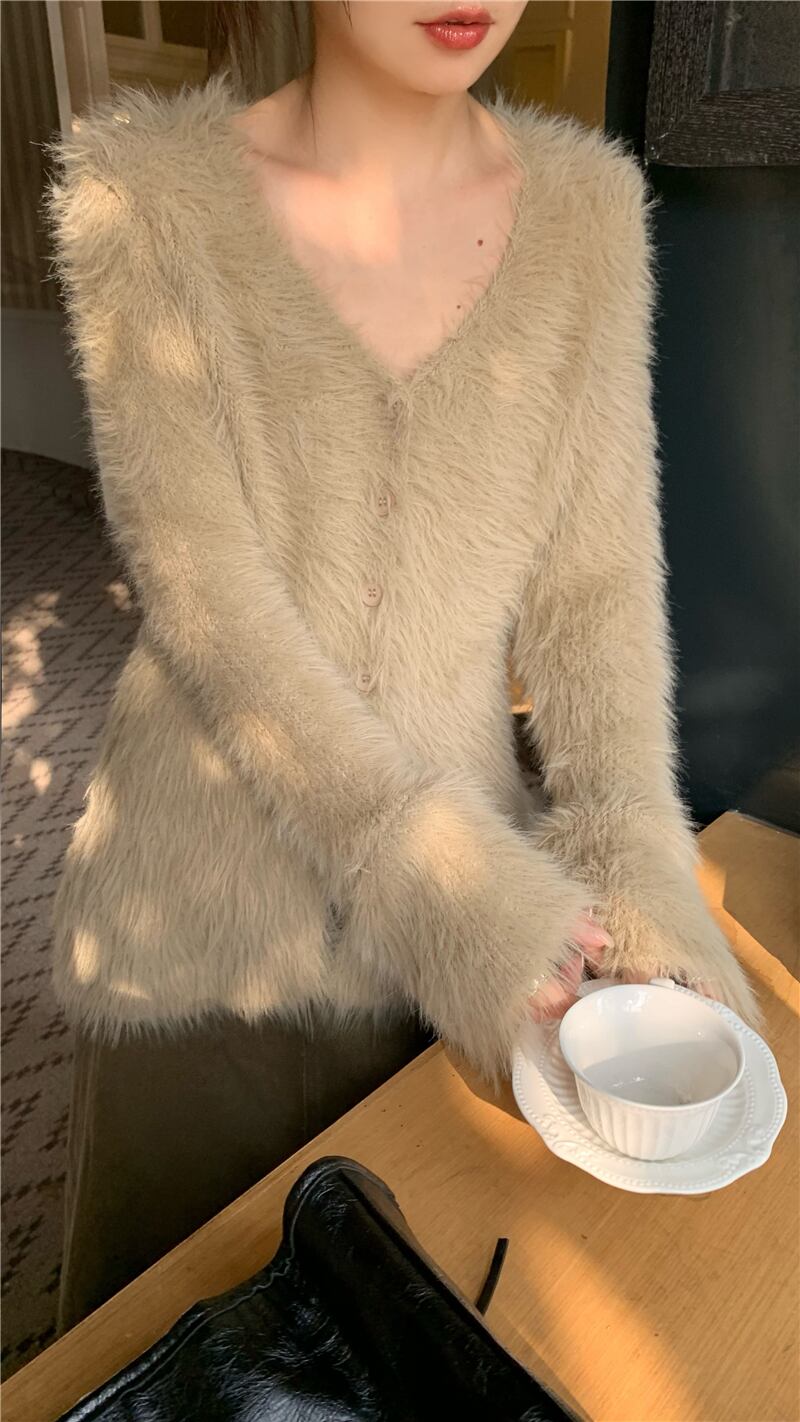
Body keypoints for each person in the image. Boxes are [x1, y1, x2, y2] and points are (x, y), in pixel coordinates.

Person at [43, 0, 759, 1335]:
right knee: (166, 1342)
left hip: (473, 955)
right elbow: (207, 603)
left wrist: (634, 853)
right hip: (202, 932)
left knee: (419, 1325)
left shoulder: (589, 216)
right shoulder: (144, 197)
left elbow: (594, 590)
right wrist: (437, 883)